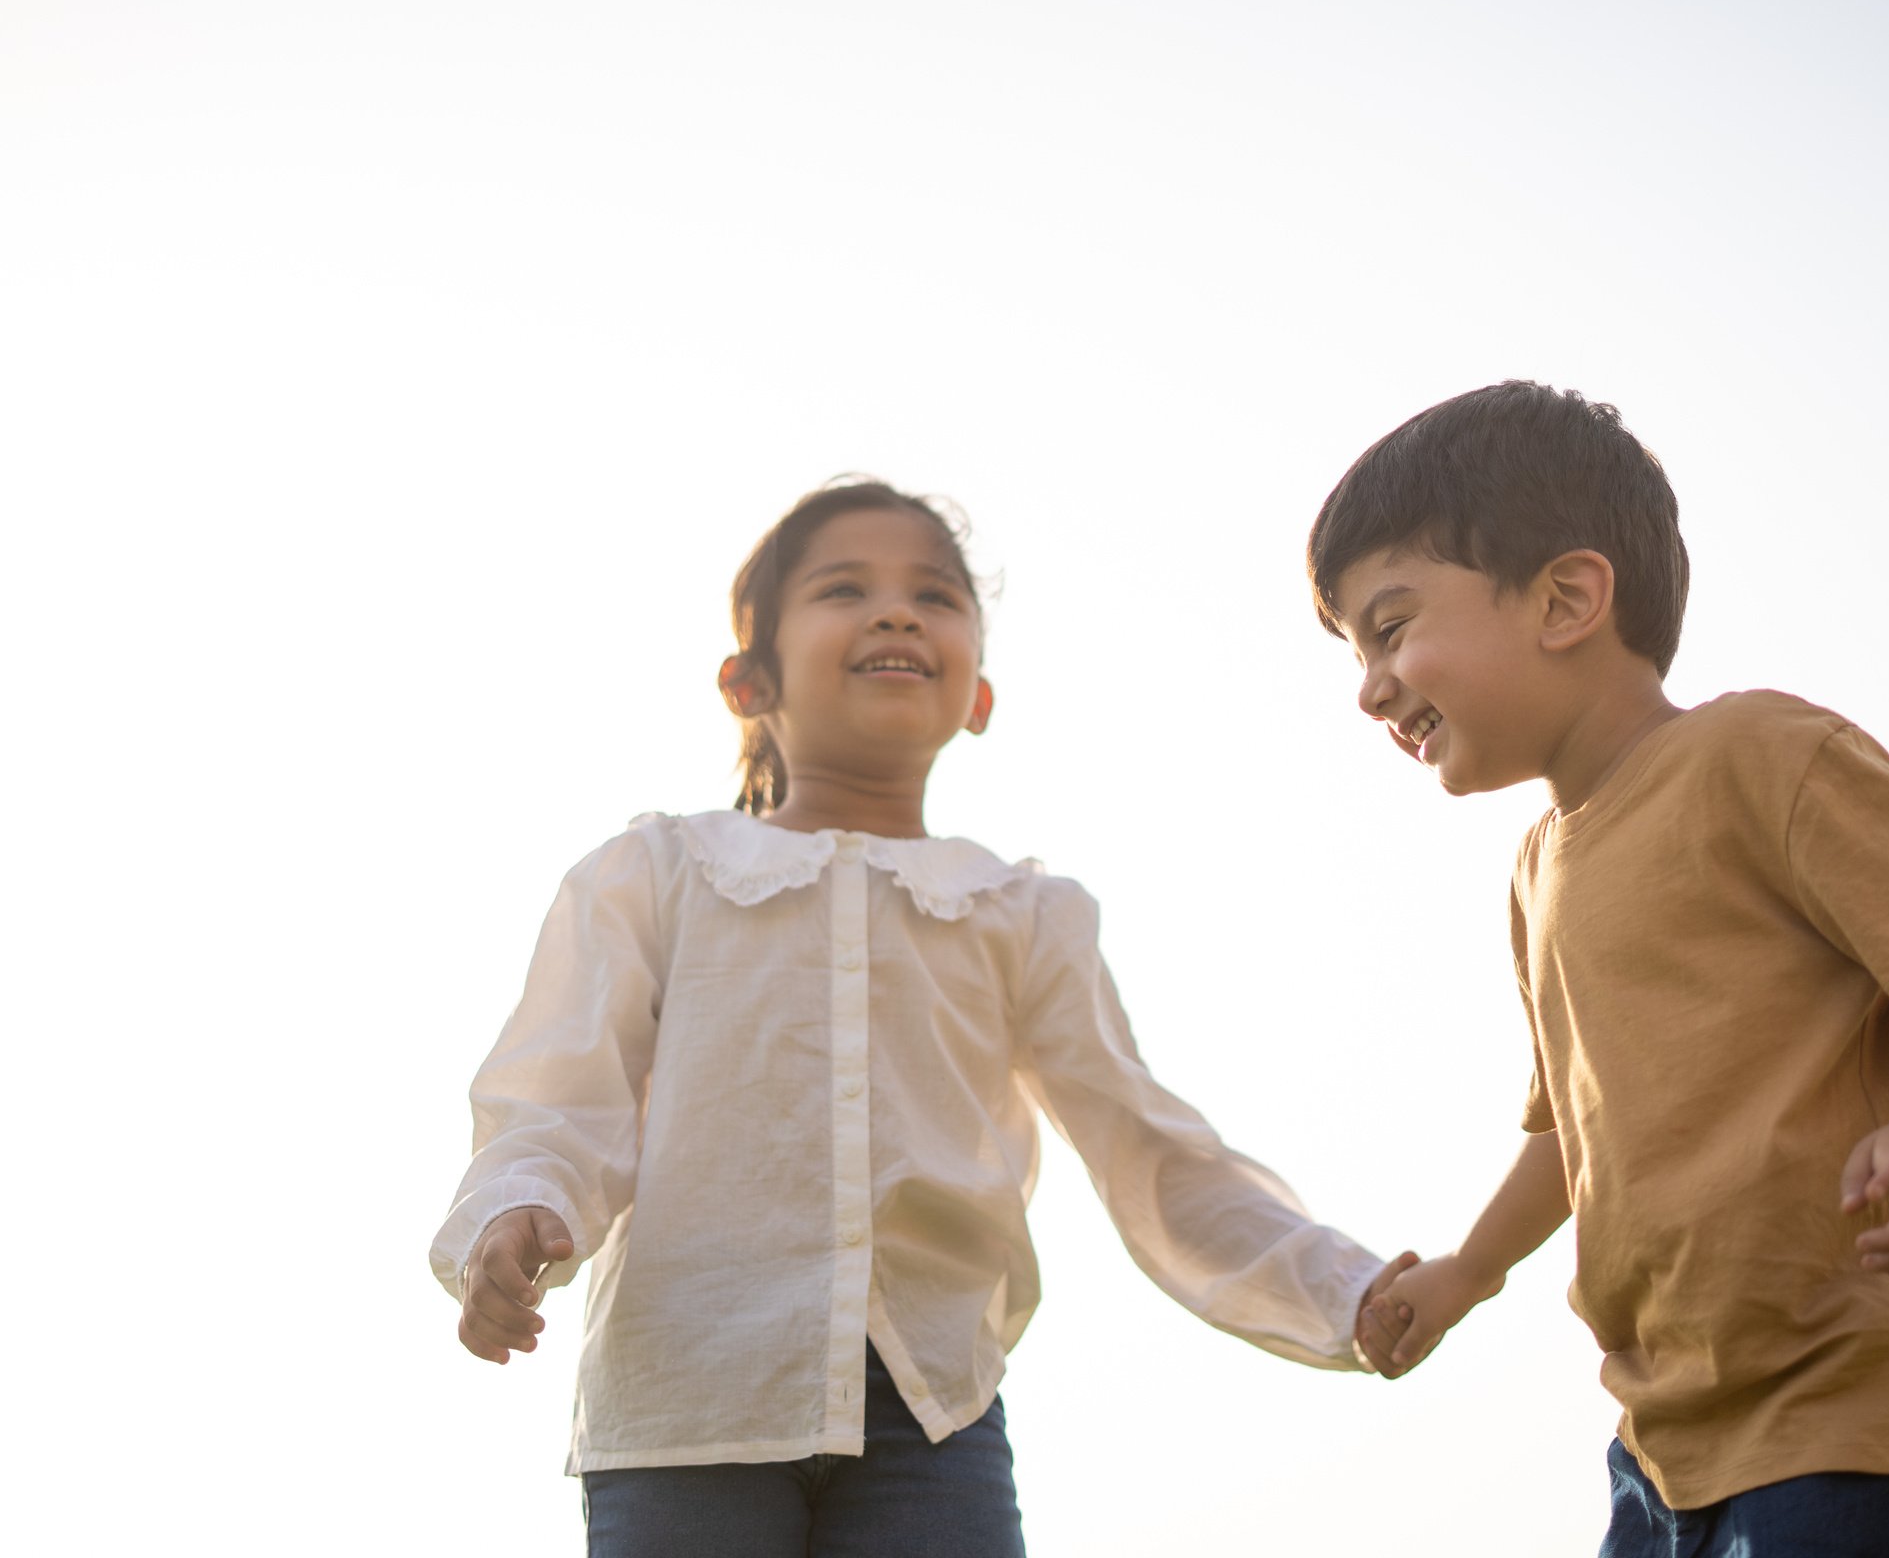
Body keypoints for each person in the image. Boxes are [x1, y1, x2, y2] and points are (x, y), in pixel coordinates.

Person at [432, 477, 1410, 1557]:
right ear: (747, 680)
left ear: (978, 695)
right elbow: (559, 1096)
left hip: (932, 1417)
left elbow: (1154, 1148)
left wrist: (1342, 1290)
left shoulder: (1024, 914)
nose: (897, 612)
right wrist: (514, 1213)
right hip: (686, 1396)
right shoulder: (658, 872)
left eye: (935, 597)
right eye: (845, 588)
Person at [1319, 384, 1889, 1558]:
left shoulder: (1757, 757)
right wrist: (1469, 1269)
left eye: (1393, 625)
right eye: (1356, 647)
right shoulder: (1536, 873)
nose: (1369, 683)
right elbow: (1572, 1133)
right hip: (1664, 1435)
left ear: (1567, 598)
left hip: (1848, 1405)